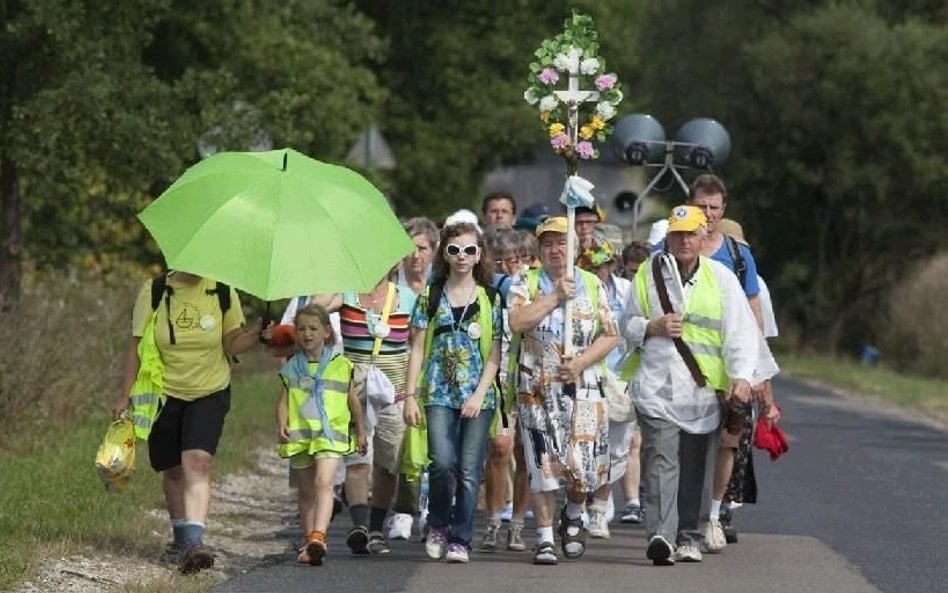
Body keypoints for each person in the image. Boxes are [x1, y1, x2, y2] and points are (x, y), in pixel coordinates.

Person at [619, 206, 772, 566]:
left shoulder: (720, 278)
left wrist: (741, 377)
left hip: (702, 391)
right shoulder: (648, 272)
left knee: (694, 465)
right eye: (677, 234)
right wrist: (650, 327)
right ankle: (660, 533)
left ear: (704, 237)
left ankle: (689, 534)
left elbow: (740, 333)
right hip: (657, 388)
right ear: (667, 239)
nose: (684, 241)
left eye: (691, 234)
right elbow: (625, 324)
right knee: (659, 458)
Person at [113, 271, 266, 574]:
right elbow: (136, 345)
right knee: (172, 470)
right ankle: (181, 541)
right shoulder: (155, 290)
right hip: (162, 391)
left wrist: (256, 335)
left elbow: (231, 344)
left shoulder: (222, 290)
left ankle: (194, 544)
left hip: (209, 391)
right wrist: (125, 395)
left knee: (197, 461)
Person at [508, 216, 619, 565]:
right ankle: (543, 538)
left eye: (562, 243)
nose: (555, 250)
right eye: (548, 244)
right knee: (543, 464)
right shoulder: (524, 282)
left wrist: (582, 361)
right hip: (536, 387)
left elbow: (611, 333)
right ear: (540, 250)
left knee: (581, 467)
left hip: (582, 386)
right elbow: (517, 322)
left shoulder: (591, 283)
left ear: (574, 248)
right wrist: (555, 296)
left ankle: (573, 512)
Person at [403, 221, 502, 564]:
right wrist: (410, 395)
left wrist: (479, 395)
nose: (462, 256)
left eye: (470, 250)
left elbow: (495, 355)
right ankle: (438, 525)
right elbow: (416, 348)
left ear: (479, 255)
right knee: (442, 464)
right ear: (444, 253)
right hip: (438, 391)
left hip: (478, 394)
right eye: (455, 250)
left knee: (470, 470)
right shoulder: (430, 295)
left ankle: (461, 538)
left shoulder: (491, 297)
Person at [308, 272, 415, 556]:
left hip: (395, 392)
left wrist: (414, 392)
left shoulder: (407, 298)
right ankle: (360, 527)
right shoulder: (348, 294)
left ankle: (377, 528)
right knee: (357, 458)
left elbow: (418, 344)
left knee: (387, 463)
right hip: (354, 390)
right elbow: (314, 311)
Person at [276, 304, 368, 565]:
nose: (307, 334)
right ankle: (309, 543)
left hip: (331, 434)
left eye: (313, 329)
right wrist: (281, 424)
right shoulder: (293, 366)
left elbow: (353, 402)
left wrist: (360, 432)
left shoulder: (341, 365)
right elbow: (283, 400)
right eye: (302, 329)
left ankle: (319, 536)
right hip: (301, 434)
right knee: (305, 492)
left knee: (324, 483)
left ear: (327, 331)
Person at [387, 216, 439, 541]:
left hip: (434, 374)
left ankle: (430, 509)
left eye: (422, 249)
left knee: (433, 445)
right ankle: (403, 510)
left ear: (433, 251)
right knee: (402, 446)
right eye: (409, 249)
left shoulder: (440, 288)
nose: (415, 256)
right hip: (396, 371)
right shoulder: (392, 288)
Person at [478, 227, 530, 552]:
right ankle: (494, 521)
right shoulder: (484, 290)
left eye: (514, 260)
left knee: (526, 455)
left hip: (530, 377)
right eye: (499, 262)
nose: (508, 268)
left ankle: (518, 524)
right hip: (498, 378)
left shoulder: (532, 287)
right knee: (499, 447)